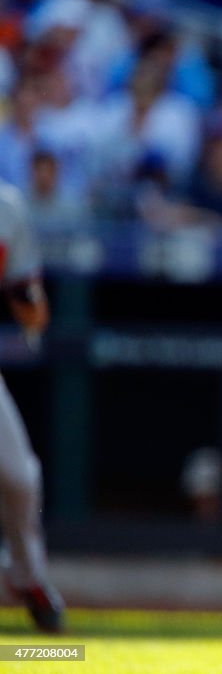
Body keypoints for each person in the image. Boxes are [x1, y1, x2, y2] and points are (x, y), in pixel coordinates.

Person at [0, 181, 65, 633]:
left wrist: (29, 301)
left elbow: (31, 310)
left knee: (20, 478)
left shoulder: (7, 207)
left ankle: (28, 579)